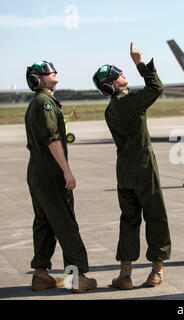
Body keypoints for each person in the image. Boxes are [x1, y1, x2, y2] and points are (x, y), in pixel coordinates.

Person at [93, 42, 171, 289]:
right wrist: (139, 62)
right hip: (143, 166)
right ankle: (156, 271)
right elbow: (156, 87)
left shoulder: (110, 109)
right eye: (118, 75)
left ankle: (125, 275)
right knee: (155, 215)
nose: (123, 75)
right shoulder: (130, 102)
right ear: (112, 85)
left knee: (129, 220)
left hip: (123, 168)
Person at [25, 61, 97, 293]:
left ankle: (41, 275)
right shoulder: (45, 103)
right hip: (51, 172)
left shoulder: (36, 103)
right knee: (65, 223)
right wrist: (66, 170)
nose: (52, 72)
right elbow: (52, 139)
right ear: (37, 80)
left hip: (37, 172)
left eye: (52, 69)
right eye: (46, 71)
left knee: (44, 222)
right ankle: (77, 277)